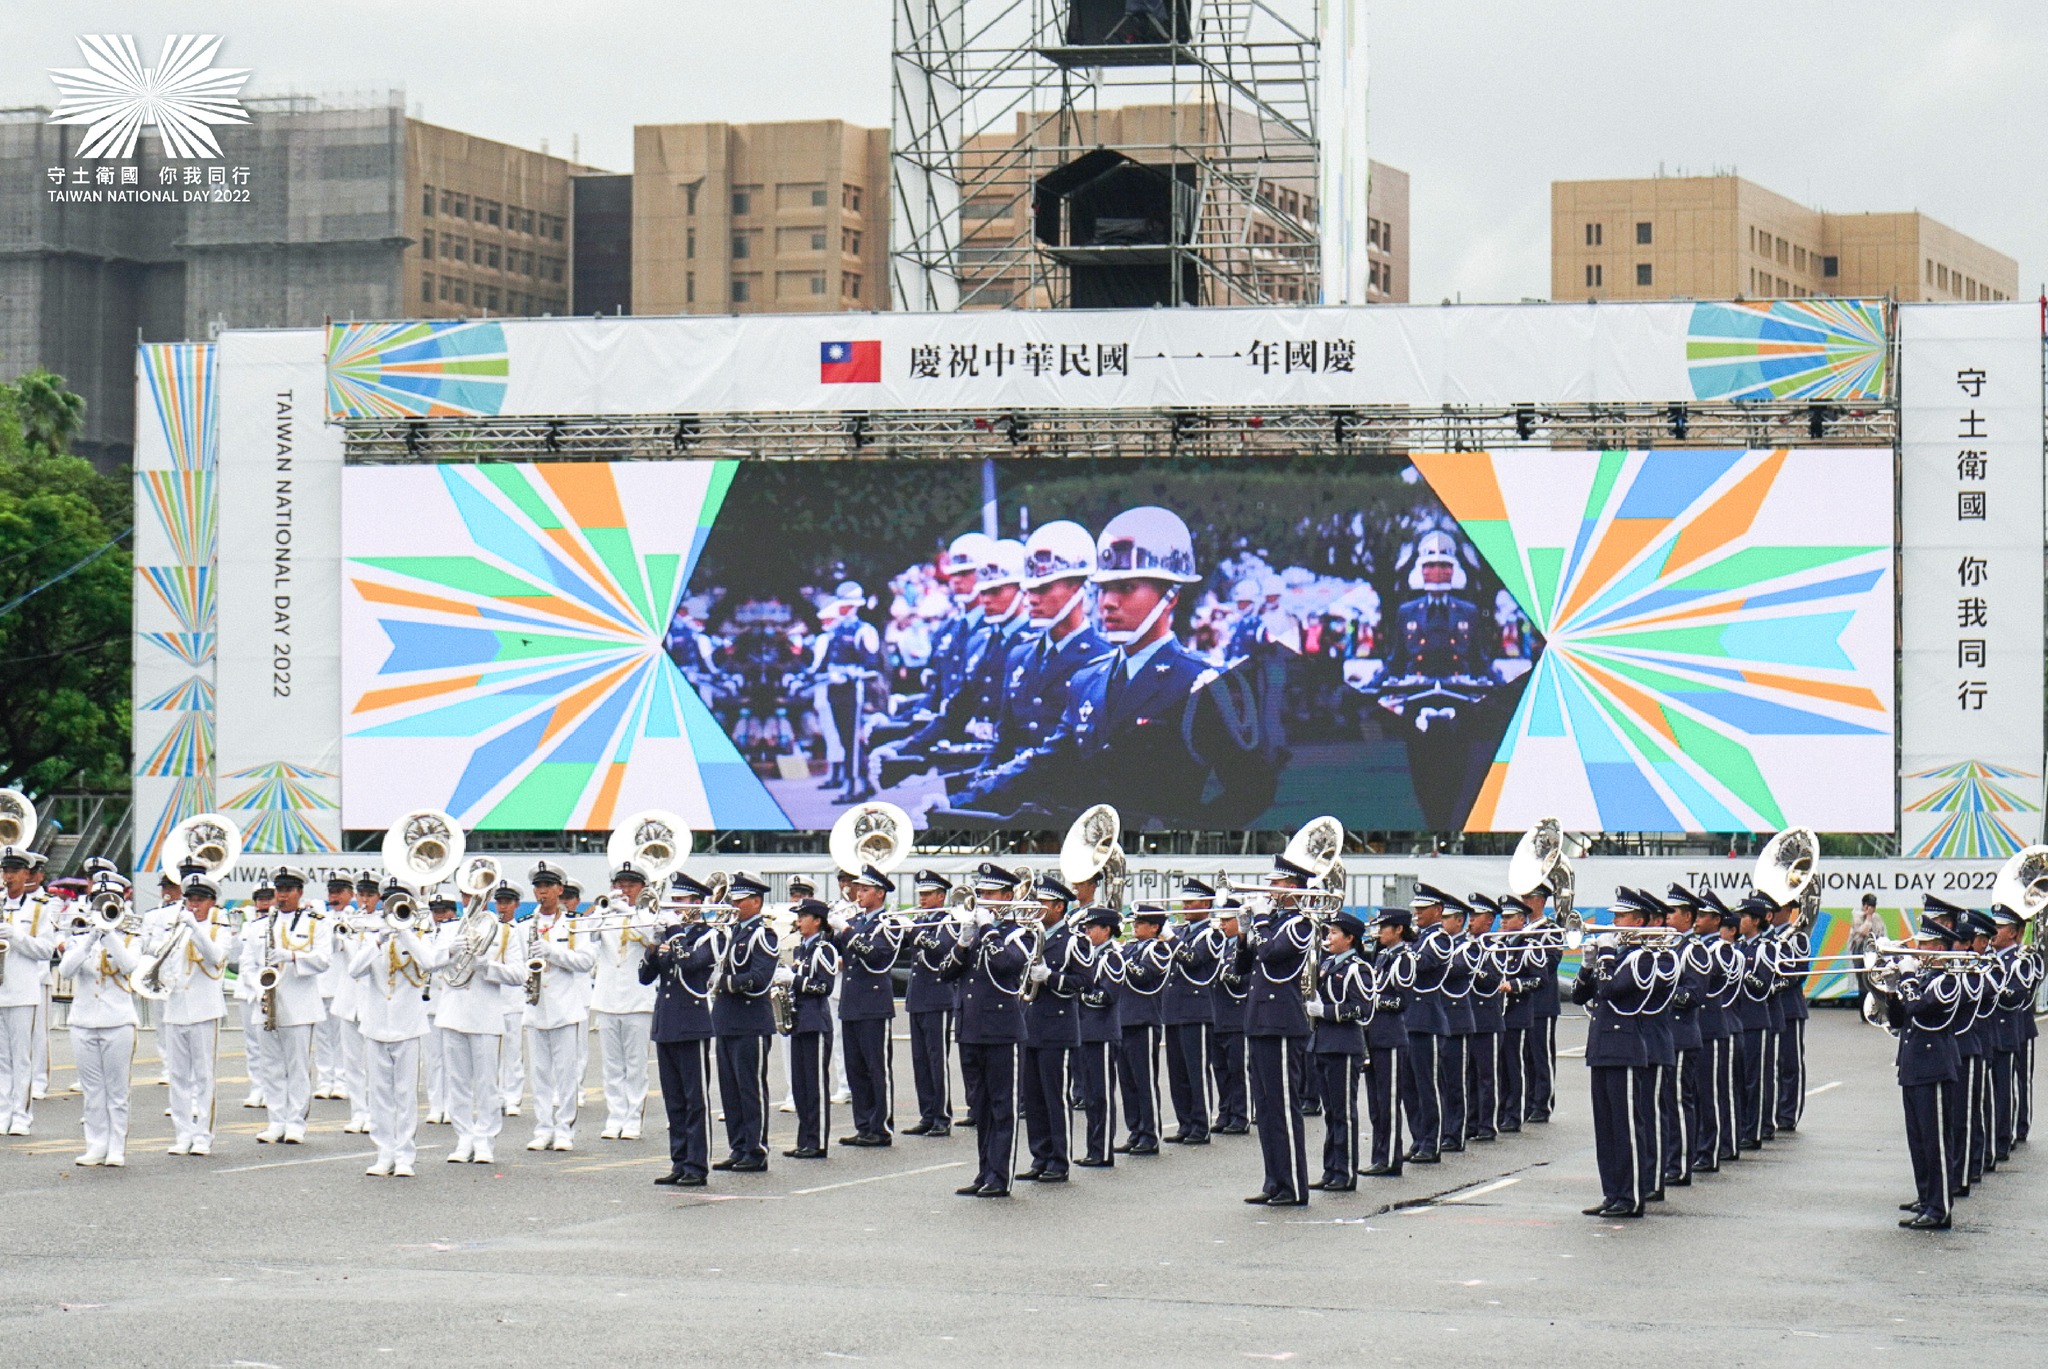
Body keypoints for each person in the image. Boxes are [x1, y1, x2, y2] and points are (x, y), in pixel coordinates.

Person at [950, 507, 1277, 828]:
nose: (1107, 602)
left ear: (1171, 596)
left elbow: (1253, 790)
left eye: (1126, 588)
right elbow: (1045, 761)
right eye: (1104, 588)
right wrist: (963, 799)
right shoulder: (1087, 679)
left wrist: (1185, 837)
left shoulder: (1204, 683)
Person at [961, 521, 1108, 784]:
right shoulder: (1019, 655)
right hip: (1011, 790)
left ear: (1077, 587)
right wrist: (977, 785)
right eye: (1029, 590)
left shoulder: (1103, 658)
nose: (1031, 599)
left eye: (1043, 588)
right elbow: (1002, 744)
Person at [941, 863, 1032, 1198]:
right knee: (979, 1108)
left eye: (990, 894)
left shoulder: (1019, 934)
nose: (982, 900)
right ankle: (984, 1171)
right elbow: (946, 973)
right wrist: (963, 944)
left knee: (1001, 1106)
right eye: (980, 894)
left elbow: (1007, 965)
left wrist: (990, 929)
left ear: (1008, 897)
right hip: (971, 1031)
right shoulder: (978, 934)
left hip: (1002, 1032)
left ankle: (1000, 1175)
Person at [1571, 891, 1662, 1218]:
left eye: (1621, 918)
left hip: (1625, 1048)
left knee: (1626, 1127)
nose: (1614, 923)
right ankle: (1613, 1193)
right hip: (1602, 1048)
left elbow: (1612, 989)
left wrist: (1607, 954)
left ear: (1638, 922)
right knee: (1606, 1129)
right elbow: (1581, 994)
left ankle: (1632, 1196)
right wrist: (1587, 963)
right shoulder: (1614, 957)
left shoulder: (1642, 958)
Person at [1885, 905, 1968, 1230]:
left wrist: (1906, 977)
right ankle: (1927, 1198)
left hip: (1933, 1067)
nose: (1917, 949)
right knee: (1918, 1140)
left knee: (1935, 1141)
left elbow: (1921, 1009)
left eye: (1924, 944)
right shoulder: (1921, 978)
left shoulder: (1947, 980)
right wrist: (1892, 985)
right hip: (1913, 1066)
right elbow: (1897, 1017)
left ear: (1938, 948)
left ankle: (1941, 1207)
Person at [1243, 854, 1315, 1206]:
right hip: (1260, 1021)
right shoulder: (1272, 922)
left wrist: (1259, 920)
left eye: (1274, 884)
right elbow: (1245, 964)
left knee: (1285, 1107)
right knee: (1266, 1106)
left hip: (1283, 1023)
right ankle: (1275, 1180)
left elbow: (1273, 955)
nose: (1268, 889)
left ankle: (1293, 1186)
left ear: (1290, 887)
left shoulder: (1299, 924)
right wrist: (1246, 926)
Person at [429, 894, 522, 1165]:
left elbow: (519, 974)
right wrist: (448, 952)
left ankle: (484, 1140)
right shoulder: (448, 929)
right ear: (461, 896)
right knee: (456, 1083)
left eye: (479, 893)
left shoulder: (503, 931)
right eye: (467, 894)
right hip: (452, 1012)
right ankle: (463, 1138)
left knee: (486, 1083)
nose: (473, 899)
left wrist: (487, 965)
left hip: (485, 1014)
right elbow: (427, 963)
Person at [350, 883, 433, 1177]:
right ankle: (384, 1152)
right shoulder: (370, 932)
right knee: (380, 1093)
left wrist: (405, 931)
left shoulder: (422, 931)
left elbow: (429, 963)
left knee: (405, 1093)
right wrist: (378, 939)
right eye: (389, 901)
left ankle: (405, 1155)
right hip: (375, 1023)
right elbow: (354, 969)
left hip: (407, 1023)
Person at [148, 869, 231, 1156]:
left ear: (212, 902)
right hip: (175, 1008)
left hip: (204, 1010)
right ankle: (183, 1133)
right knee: (179, 1076)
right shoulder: (174, 926)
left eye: (200, 900)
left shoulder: (220, 927)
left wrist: (194, 928)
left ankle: (203, 1135)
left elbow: (216, 957)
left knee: (204, 1076)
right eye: (190, 899)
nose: (194, 905)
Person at [59, 886, 142, 1166]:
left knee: (117, 1090)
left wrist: (110, 936)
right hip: (83, 1020)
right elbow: (65, 970)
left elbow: (130, 966)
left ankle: (117, 1146)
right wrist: (91, 936)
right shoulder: (81, 936)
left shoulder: (132, 936)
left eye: (110, 902)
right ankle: (95, 1144)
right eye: (99, 901)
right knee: (92, 1090)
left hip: (118, 1021)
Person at [647, 874, 719, 1187]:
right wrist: (653, 943)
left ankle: (696, 1164)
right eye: (674, 902)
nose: (676, 908)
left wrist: (675, 933)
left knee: (695, 1099)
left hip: (692, 1024)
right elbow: (644, 976)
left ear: (698, 904)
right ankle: (679, 1161)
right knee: (674, 1100)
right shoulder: (670, 937)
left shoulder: (710, 936)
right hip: (666, 1024)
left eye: (682, 902)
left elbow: (691, 965)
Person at [1017, 874, 1088, 1184]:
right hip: (1031, 1024)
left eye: (1042, 903)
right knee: (1033, 1097)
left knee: (1054, 1096)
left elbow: (1083, 983)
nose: (1036, 909)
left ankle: (1059, 1159)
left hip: (1057, 1026)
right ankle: (1040, 1155)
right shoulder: (1032, 937)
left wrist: (1051, 977)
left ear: (1059, 906)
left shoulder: (1074, 940)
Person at [522, 861, 595, 1152]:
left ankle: (564, 1129)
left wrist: (554, 952)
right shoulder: (525, 924)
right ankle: (543, 1128)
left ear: (559, 889)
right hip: (536, 1005)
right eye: (538, 887)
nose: (542, 892)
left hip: (565, 1007)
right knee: (539, 1074)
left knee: (566, 1074)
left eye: (548, 887)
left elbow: (586, 961)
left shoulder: (576, 924)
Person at [258, 873, 334, 1145]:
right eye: (279, 889)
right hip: (268, 1002)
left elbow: (324, 960)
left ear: (300, 892)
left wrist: (292, 956)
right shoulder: (265, 920)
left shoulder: (317, 923)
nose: (282, 895)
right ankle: (276, 1121)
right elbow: (247, 962)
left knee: (297, 1066)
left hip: (299, 1004)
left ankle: (296, 1123)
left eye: (288, 889)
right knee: (272, 1067)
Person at [711, 872, 778, 1173]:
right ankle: (738, 1146)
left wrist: (724, 982)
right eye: (732, 901)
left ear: (756, 901)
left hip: (751, 1019)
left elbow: (760, 979)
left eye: (739, 901)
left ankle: (756, 1148)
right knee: (730, 1090)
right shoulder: (728, 932)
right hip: (726, 1019)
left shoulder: (763, 935)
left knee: (750, 1088)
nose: (734, 906)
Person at [831, 864, 902, 1147]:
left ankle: (881, 1127)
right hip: (852, 1001)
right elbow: (840, 952)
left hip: (874, 1004)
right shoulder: (858, 921)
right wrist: (831, 927)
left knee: (876, 1068)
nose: (858, 893)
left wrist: (846, 930)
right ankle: (863, 1125)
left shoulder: (888, 923)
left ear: (880, 893)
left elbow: (875, 957)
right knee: (856, 1068)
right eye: (857, 888)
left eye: (864, 889)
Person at [1306, 911, 1372, 1192]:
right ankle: (1331, 1168)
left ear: (1350, 938)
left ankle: (1345, 1172)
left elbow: (1363, 1010)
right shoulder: (1327, 964)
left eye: (1334, 933)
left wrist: (1327, 1012)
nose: (1329, 938)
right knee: (1331, 1112)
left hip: (1344, 1045)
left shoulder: (1358, 968)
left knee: (1343, 1112)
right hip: (1324, 1043)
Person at [591, 863, 657, 1141]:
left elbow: (653, 938)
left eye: (630, 885)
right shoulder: (606, 912)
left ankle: (632, 1119)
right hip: (607, 998)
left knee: (635, 1064)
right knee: (612, 1065)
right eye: (620, 884)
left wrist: (630, 913)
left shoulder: (648, 914)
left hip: (637, 999)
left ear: (642, 887)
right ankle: (615, 1115)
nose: (624, 890)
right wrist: (602, 912)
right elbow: (586, 936)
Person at [0, 846, 59, 1134]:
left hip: (23, 990)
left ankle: (21, 1116)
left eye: (14, 871)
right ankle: (2, 1112)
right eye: (5, 870)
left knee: (21, 1056)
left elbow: (46, 949)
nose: (8, 876)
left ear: (27, 874)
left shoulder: (40, 907)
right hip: (0, 990)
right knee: (1, 1059)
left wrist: (17, 936)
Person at [1162, 879, 1224, 1147]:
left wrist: (1169, 936)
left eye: (1192, 901)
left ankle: (1200, 1125)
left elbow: (1192, 959)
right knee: (1177, 1071)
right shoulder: (1182, 930)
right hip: (1175, 1009)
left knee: (1196, 1071)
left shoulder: (1213, 934)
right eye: (1184, 900)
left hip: (1196, 1009)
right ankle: (1185, 1122)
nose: (1185, 905)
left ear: (1207, 904)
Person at [1400, 884, 1458, 1164]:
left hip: (1427, 1018)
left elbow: (1421, 965)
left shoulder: (1440, 939)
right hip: (1409, 1017)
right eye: (1415, 910)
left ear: (1437, 911)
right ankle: (1418, 1137)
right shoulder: (1419, 938)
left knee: (1428, 1085)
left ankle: (1431, 1141)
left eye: (1422, 910)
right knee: (1408, 1086)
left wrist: (1399, 951)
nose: (1416, 914)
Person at [901, 870, 960, 1138]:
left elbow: (944, 950)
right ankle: (927, 1113)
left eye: (927, 894)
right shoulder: (922, 919)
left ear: (941, 896)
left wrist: (917, 932)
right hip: (919, 997)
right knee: (920, 1060)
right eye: (921, 895)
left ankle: (942, 1116)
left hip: (938, 997)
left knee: (937, 1060)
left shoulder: (949, 920)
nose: (922, 899)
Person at [782, 897, 840, 1158]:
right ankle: (804, 1139)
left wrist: (794, 979)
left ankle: (817, 1142)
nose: (799, 920)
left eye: (803, 916)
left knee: (815, 1085)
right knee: (801, 1085)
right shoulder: (801, 950)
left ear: (817, 921)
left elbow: (824, 987)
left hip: (815, 1022)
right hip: (798, 1022)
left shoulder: (823, 949)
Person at [1114, 905, 1170, 1157]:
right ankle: (1135, 1130)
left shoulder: (1159, 949)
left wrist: (1121, 959)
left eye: (1141, 922)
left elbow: (1143, 975)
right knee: (1127, 1081)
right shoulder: (1129, 948)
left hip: (1144, 1020)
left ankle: (1150, 1134)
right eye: (1135, 921)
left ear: (1155, 927)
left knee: (1144, 1080)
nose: (1134, 926)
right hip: (1123, 1020)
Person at [1362, 909, 1413, 1176]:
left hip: (1391, 1036)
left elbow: (1400, 1001)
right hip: (1374, 1035)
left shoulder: (1404, 958)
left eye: (1385, 927)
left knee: (1389, 1102)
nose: (1380, 932)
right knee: (1376, 1104)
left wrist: (1372, 1003)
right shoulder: (1383, 955)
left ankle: (1391, 1159)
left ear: (1399, 930)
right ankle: (1379, 1155)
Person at [236, 871, 290, 1113]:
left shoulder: (283, 924)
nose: (265, 902)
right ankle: (257, 1087)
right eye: (261, 898)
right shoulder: (250, 925)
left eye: (269, 897)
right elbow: (239, 958)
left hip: (278, 989)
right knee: (253, 1044)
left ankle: (274, 1090)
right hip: (249, 990)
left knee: (276, 1046)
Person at [1073, 905, 1122, 1167]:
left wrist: (1077, 992)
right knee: (1090, 1095)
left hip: (1101, 1032)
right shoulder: (1089, 956)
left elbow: (1107, 995)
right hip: (1085, 1031)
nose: (1087, 932)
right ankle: (1093, 1148)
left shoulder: (1111, 957)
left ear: (1106, 930)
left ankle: (1102, 1150)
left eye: (1091, 927)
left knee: (1101, 1095)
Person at [1519, 880, 1564, 1124]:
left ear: (1542, 901)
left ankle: (1543, 1103)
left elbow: (1550, 964)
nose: (1525, 902)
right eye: (1524, 897)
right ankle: (1528, 1101)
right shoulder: (1519, 929)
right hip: (1522, 1002)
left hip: (1542, 1002)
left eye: (1531, 897)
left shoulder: (1551, 930)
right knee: (1524, 1056)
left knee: (1541, 1055)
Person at [311, 872, 356, 1102]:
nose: (334, 896)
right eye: (331, 892)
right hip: (322, 984)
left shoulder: (355, 918)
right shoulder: (321, 918)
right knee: (323, 1037)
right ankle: (324, 1080)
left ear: (351, 894)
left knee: (341, 1039)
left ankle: (342, 1080)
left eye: (339, 892)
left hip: (342, 984)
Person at [1209, 899, 1252, 1135]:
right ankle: (1225, 1111)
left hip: (1238, 1014)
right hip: (1220, 1014)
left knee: (1238, 1069)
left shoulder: (1247, 947)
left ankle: (1241, 1114)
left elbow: (1246, 979)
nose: (1223, 925)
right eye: (1222, 920)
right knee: (1220, 1068)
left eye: (1227, 920)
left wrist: (1229, 976)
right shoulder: (1222, 946)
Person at [422, 893, 460, 1126]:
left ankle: (452, 1106)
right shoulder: (425, 934)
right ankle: (436, 1105)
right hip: (429, 1003)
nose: (440, 916)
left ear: (453, 912)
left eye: (444, 911)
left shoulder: (458, 933)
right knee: (434, 1059)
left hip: (450, 1001)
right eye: (436, 911)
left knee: (452, 1060)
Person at [492, 882, 529, 1117]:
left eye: (507, 902)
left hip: (514, 997)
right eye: (499, 902)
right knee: (490, 1053)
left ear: (516, 904)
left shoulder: (522, 930)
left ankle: (513, 1097)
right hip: (491, 998)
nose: (502, 907)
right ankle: (495, 1096)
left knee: (513, 1051)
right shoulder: (490, 928)